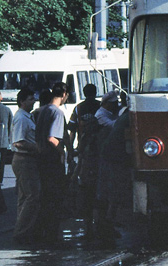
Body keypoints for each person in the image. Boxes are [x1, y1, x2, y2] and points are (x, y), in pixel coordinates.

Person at [34, 83, 69, 247]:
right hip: (52, 159)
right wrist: (62, 152)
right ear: (63, 94)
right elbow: (52, 138)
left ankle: (42, 232)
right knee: (55, 197)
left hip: (41, 157)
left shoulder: (42, 111)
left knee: (45, 197)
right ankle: (52, 235)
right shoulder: (57, 112)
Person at [94, 91, 131, 246]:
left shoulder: (123, 115)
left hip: (111, 157)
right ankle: (104, 227)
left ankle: (106, 225)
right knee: (110, 194)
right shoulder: (126, 117)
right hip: (113, 159)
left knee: (109, 194)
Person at [67, 84, 102, 233]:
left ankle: (87, 221)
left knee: (84, 186)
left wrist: (71, 149)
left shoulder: (78, 108)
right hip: (99, 152)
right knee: (97, 188)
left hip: (83, 151)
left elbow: (72, 130)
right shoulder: (101, 107)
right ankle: (98, 220)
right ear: (95, 93)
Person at [10, 88, 42, 246]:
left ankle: (22, 230)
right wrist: (37, 147)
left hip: (26, 159)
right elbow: (19, 141)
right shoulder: (21, 118)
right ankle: (22, 232)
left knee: (25, 197)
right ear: (22, 101)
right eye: (30, 99)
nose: (34, 101)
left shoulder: (27, 116)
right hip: (24, 159)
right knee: (32, 196)